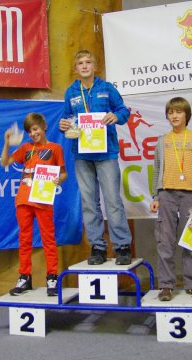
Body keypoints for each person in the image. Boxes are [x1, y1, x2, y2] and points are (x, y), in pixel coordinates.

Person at [59, 49, 133, 265]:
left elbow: (124, 111)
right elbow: (66, 119)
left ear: (95, 66)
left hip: (106, 152)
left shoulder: (107, 88)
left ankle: (122, 247)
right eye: (80, 63)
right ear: (75, 68)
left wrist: (115, 116)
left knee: (113, 200)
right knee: (89, 202)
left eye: (88, 62)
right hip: (82, 154)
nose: (84, 66)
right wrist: (64, 125)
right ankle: (98, 247)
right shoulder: (71, 92)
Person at [149, 97, 192, 301]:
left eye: (178, 112)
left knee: (191, 240)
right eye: (170, 112)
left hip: (191, 195)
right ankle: (166, 285)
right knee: (165, 241)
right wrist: (156, 195)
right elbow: (157, 169)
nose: (174, 116)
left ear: (187, 115)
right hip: (166, 194)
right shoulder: (162, 140)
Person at [1, 113, 67, 296]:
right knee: (24, 239)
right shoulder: (25, 148)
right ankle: (24, 277)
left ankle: (52, 277)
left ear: (44, 127)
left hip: (43, 199)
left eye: (35, 129)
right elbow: (5, 162)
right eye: (29, 131)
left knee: (48, 239)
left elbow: (63, 174)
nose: (33, 134)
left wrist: (57, 180)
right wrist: (7, 142)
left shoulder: (55, 148)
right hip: (23, 199)